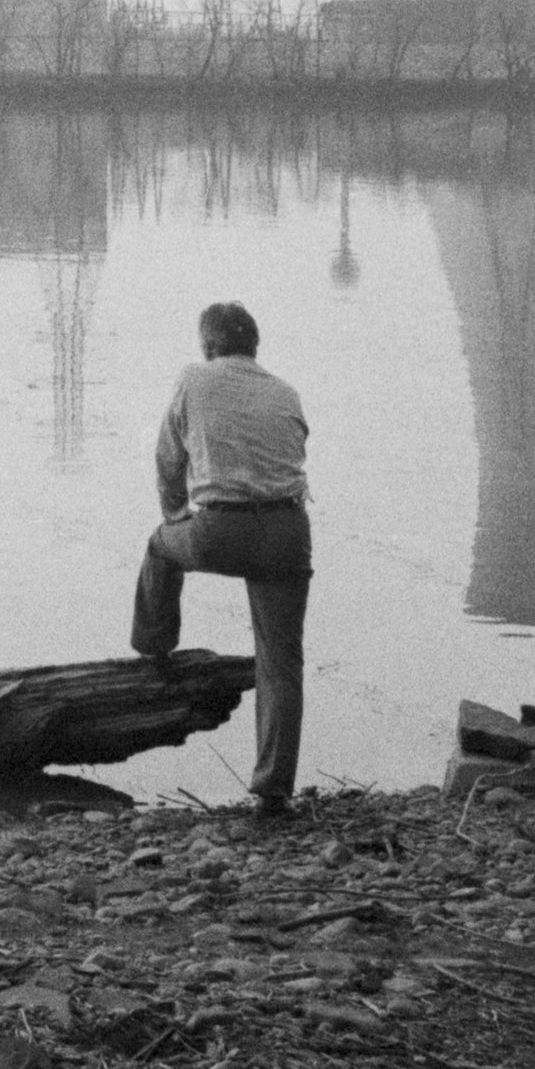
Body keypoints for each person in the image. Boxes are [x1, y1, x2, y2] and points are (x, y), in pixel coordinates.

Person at [133, 298, 312, 812]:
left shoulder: (194, 379)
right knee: (282, 662)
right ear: (255, 347)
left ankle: (155, 649)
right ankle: (274, 789)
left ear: (209, 347)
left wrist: (174, 514)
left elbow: (169, 459)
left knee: (159, 547)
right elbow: (296, 451)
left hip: (219, 530)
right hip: (287, 531)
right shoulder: (285, 390)